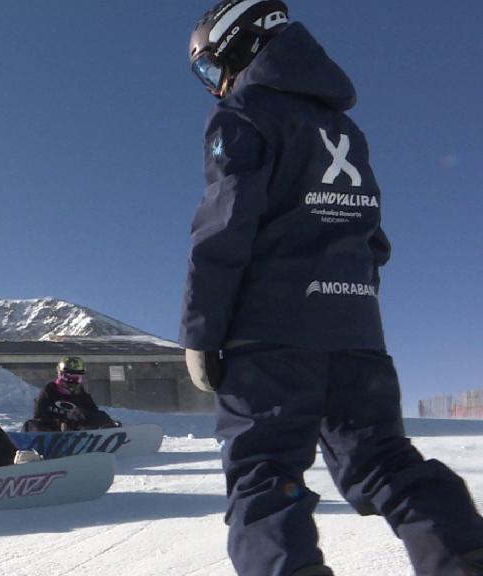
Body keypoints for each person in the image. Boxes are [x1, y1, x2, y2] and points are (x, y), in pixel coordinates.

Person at [181, 2, 483, 575]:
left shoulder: (245, 112)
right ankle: (464, 558)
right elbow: (370, 236)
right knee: (386, 463)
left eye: (210, 69)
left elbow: (224, 227)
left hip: (269, 337)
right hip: (354, 333)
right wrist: (347, 303)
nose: (214, 87)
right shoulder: (343, 128)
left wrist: (201, 331)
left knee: (264, 475)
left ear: (241, 46)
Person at [22, 356, 120, 432]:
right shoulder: (49, 390)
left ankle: (109, 434)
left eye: (77, 378)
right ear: (60, 375)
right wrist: (59, 423)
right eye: (68, 377)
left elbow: (94, 413)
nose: (72, 382)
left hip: (78, 430)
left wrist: (83, 414)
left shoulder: (81, 393)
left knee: (100, 417)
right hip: (54, 431)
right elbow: (39, 415)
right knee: (30, 425)